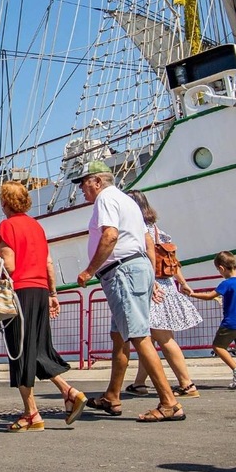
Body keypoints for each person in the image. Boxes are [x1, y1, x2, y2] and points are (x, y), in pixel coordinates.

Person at [0, 180, 86, 429]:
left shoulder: (8, 226)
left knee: (20, 351)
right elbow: (48, 263)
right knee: (37, 348)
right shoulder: (36, 227)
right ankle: (67, 393)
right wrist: (53, 293)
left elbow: (8, 265)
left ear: (4, 203)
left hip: (19, 293)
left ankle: (33, 412)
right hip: (40, 290)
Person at [74, 161, 181, 423]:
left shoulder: (105, 199)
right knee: (119, 335)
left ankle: (169, 402)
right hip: (136, 268)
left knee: (137, 335)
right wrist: (150, 276)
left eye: (84, 183)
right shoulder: (127, 200)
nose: (81, 189)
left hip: (121, 272)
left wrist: (89, 271)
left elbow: (110, 236)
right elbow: (145, 240)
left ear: (97, 181)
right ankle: (112, 395)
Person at [124, 193, 200, 398]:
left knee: (163, 339)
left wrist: (151, 283)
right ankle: (139, 383)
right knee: (150, 340)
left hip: (152, 288)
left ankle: (187, 383)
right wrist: (183, 283)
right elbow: (173, 262)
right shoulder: (158, 231)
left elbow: (144, 259)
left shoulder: (137, 231)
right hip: (167, 285)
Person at [183, 252, 236, 388]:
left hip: (230, 322)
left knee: (218, 346)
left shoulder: (227, 283)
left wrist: (192, 294)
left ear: (221, 268)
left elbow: (210, 296)